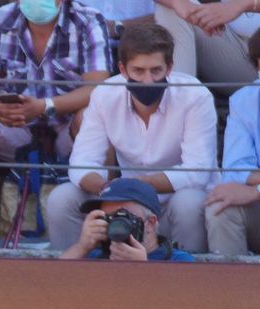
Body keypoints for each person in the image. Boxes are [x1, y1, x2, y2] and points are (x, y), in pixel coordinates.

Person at [46, 22, 214, 251]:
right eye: (138, 71)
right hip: (124, 204)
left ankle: (184, 281)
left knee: (190, 203)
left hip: (173, 203)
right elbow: (81, 163)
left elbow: (198, 172)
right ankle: (74, 278)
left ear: (170, 67)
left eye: (156, 70)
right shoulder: (105, 94)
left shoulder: (195, 95)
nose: (148, 80)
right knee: (61, 198)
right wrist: (108, 188)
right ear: (123, 70)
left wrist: (137, 186)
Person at [0, 0, 111, 240]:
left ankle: (105, 222)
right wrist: (1, 103)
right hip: (16, 124)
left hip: (68, 127)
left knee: (94, 116)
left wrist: (44, 107)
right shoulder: (0, 18)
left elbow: (98, 88)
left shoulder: (88, 20)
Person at [204, 34, 260, 254]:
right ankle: (227, 288)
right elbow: (235, 169)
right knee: (220, 206)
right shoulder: (244, 99)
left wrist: (256, 190)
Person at [59, 174, 196, 257]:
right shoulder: (95, 256)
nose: (115, 224)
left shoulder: (179, 262)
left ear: (151, 222)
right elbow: (50, 285)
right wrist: (82, 247)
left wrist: (141, 268)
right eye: (108, 218)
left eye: (123, 217)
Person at [150, 0, 257, 94]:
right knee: (174, 8)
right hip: (236, 47)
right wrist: (192, 12)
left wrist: (244, 4)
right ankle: (180, 103)